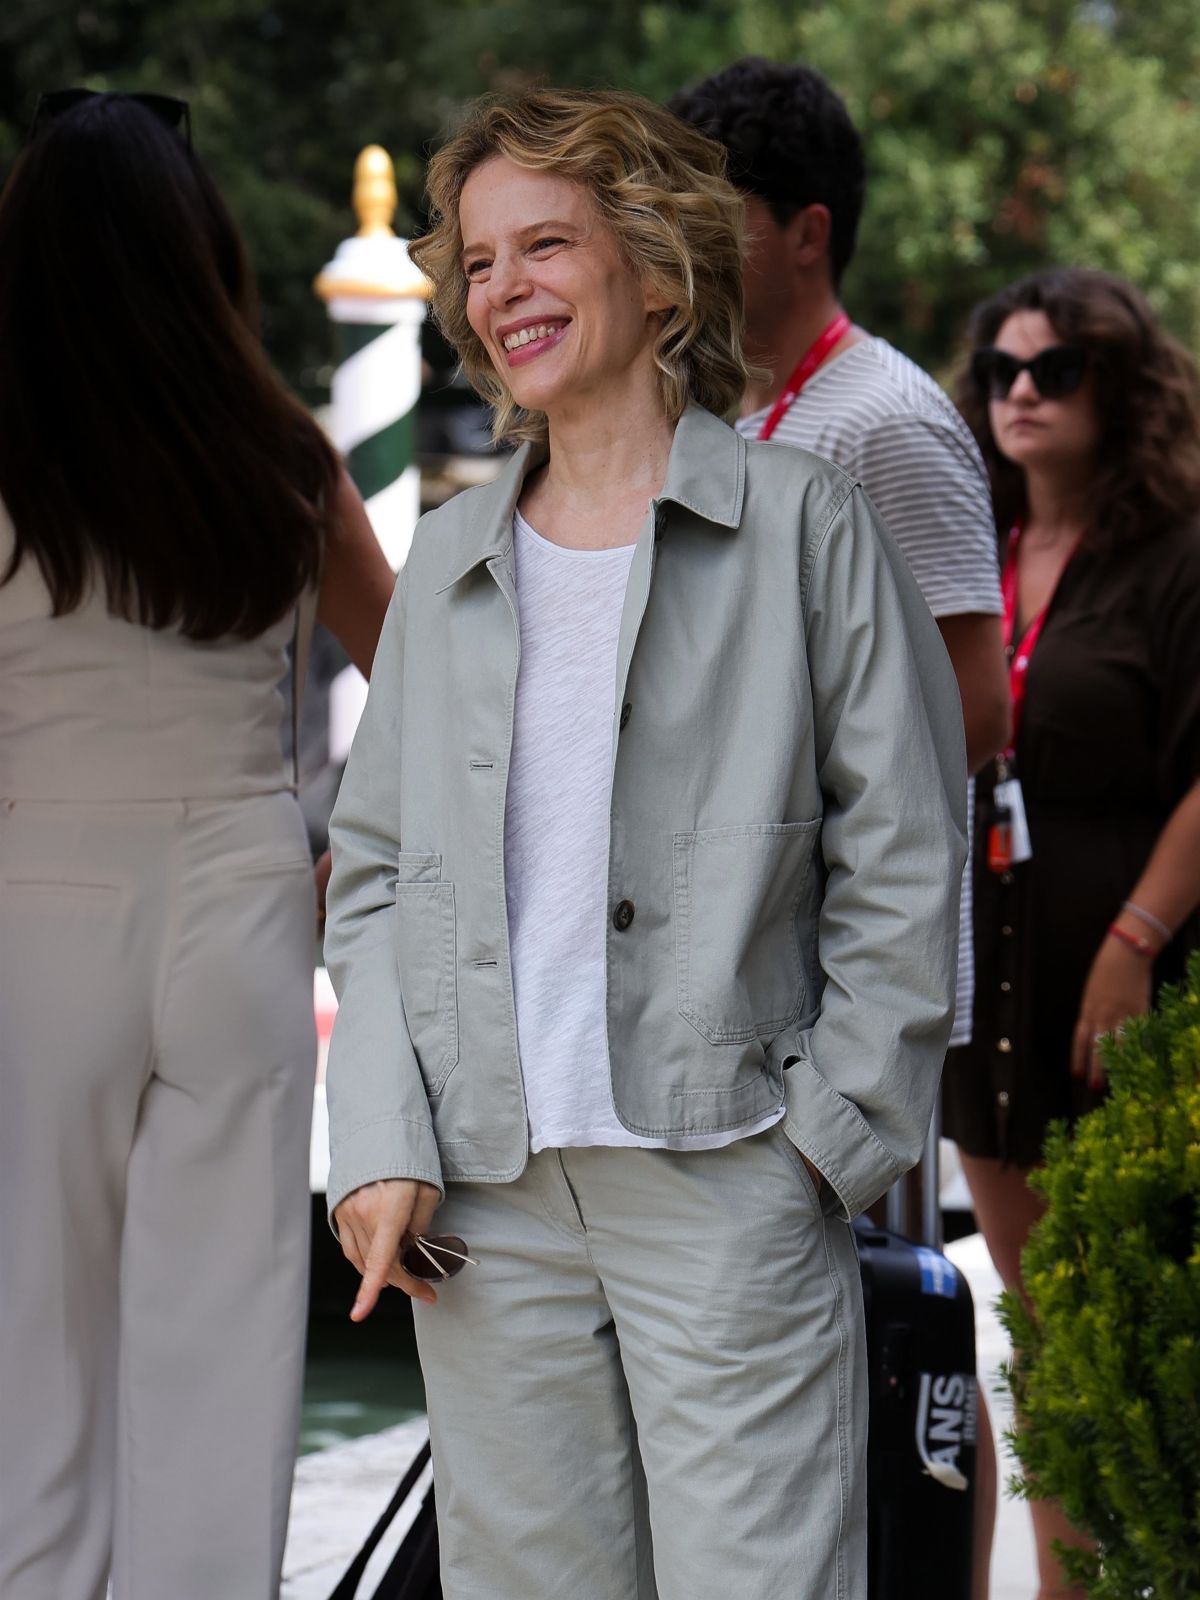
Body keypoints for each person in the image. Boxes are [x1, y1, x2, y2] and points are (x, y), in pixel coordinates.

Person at [324, 86, 966, 1600]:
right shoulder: (453, 566)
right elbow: (372, 874)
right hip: (484, 1202)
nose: (502, 291)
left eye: (544, 243)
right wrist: (377, 1144)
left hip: (732, 1172)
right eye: (477, 264)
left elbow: (908, 850)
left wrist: (823, 1146)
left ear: (661, 266)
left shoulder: (809, 528)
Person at [0, 92, 394, 1600]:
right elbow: (420, 673)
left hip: (40, 901)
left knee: (37, 1353)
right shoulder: (281, 452)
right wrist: (352, 844)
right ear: (201, 248)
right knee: (225, 1348)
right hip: (241, 895)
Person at [669, 62, 1011, 1593]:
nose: (674, 237)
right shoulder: (734, 411)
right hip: (750, 966)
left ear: (807, 229)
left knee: (891, 1320)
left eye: (711, 211)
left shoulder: (886, 419)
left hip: (857, 982)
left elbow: (975, 706)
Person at [946, 266, 1200, 1599]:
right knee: (1038, 1341)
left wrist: (1139, 937)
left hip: (1125, 1011)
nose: (1023, 393)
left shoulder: (1177, 553)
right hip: (988, 1004)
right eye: (1002, 372)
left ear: (1124, 387)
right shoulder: (968, 550)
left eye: (1056, 371)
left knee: (1124, 1350)